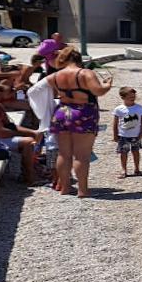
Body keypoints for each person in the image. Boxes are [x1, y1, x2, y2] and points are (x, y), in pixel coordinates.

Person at [48, 47, 112, 197]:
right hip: (83, 113)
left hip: (61, 112)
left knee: (63, 154)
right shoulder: (85, 73)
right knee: (82, 155)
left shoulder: (55, 76)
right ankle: (83, 190)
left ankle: (65, 187)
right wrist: (107, 85)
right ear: (78, 58)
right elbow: (98, 91)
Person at [112, 86, 142, 177]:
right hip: (123, 135)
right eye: (130, 97)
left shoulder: (139, 108)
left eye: (134, 96)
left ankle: (137, 169)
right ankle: (124, 170)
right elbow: (115, 123)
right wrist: (115, 135)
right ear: (123, 98)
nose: (132, 98)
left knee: (136, 151)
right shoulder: (119, 109)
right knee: (123, 153)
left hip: (136, 135)